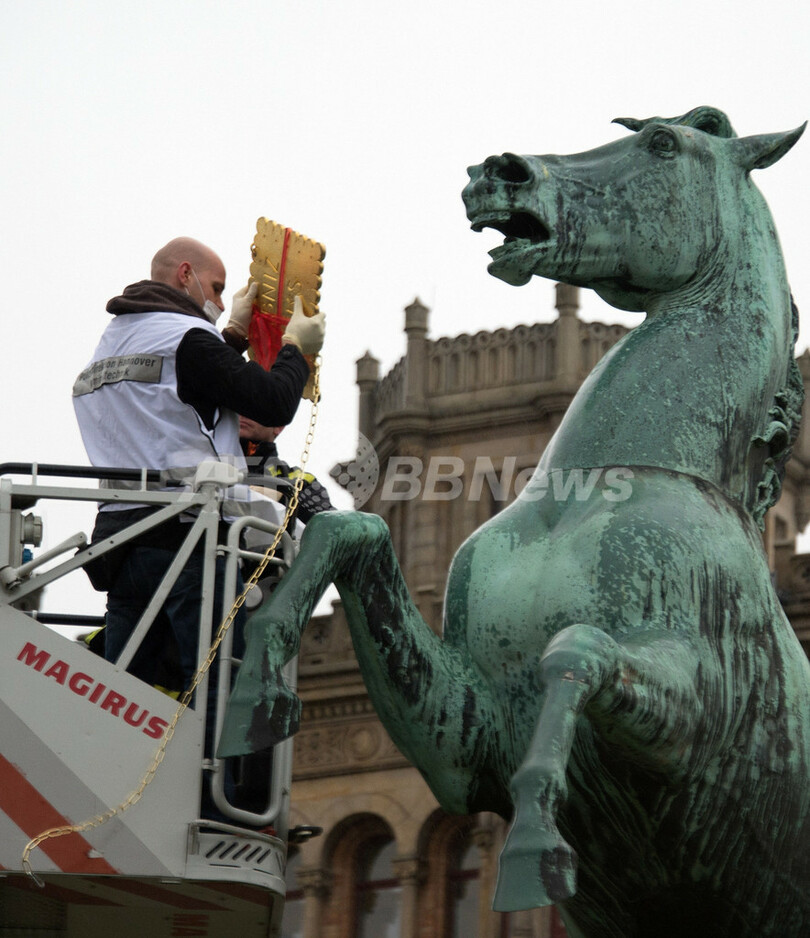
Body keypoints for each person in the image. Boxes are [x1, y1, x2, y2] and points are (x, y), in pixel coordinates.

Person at [72, 236, 324, 818]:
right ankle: (223, 804)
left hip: (124, 540)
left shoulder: (113, 342)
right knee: (220, 675)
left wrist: (231, 334)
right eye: (214, 288)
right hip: (188, 538)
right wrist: (296, 349)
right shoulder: (186, 340)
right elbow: (271, 400)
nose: (217, 302)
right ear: (186, 274)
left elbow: (178, 392)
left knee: (127, 681)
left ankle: (113, 794)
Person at [239, 418, 335, 523]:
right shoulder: (218, 465)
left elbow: (330, 527)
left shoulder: (301, 482)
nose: (243, 414)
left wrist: (284, 500)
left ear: (278, 426)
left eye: (255, 409)